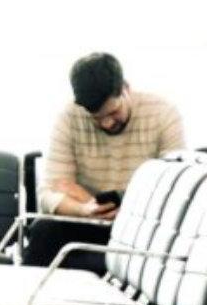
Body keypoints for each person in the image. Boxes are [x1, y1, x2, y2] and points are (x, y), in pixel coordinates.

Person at [27, 52, 185, 267]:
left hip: (143, 229)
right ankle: (27, 300)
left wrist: (129, 212)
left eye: (113, 112)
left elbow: (176, 193)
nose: (107, 124)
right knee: (43, 230)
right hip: (91, 222)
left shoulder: (163, 114)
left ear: (126, 88)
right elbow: (49, 193)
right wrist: (84, 210)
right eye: (97, 118)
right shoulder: (70, 117)